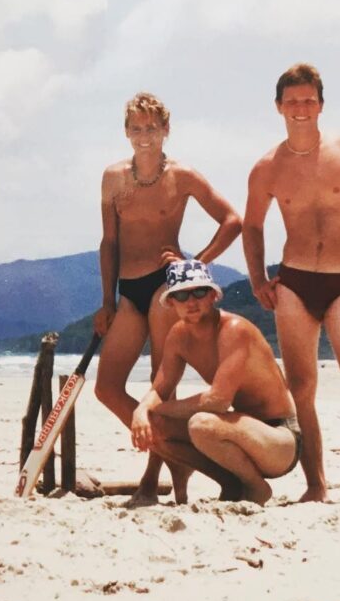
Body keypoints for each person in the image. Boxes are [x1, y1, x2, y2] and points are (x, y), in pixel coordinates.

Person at [242, 63, 340, 505]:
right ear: (278, 107)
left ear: (321, 104)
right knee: (301, 388)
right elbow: (251, 225)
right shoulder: (267, 168)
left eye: (308, 100)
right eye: (292, 101)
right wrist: (258, 279)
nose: (300, 108)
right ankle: (316, 485)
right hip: (293, 283)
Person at [93, 92, 241, 507]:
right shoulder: (112, 177)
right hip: (127, 291)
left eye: (151, 128)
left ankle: (154, 480)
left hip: (164, 287)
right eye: (136, 129)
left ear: (166, 130)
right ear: (126, 132)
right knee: (105, 388)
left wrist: (196, 266)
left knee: (162, 386)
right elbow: (108, 242)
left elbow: (233, 221)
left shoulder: (183, 175)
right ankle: (173, 451)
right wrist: (106, 300)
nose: (144, 136)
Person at [131, 260, 301, 505]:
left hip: (279, 439)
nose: (191, 301)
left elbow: (218, 401)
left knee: (201, 424)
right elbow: (160, 389)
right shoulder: (178, 335)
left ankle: (256, 488)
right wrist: (142, 410)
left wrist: (154, 408)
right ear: (170, 302)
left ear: (212, 295)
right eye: (181, 295)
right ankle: (231, 484)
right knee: (154, 426)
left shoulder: (234, 329)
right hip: (239, 432)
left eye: (199, 291)